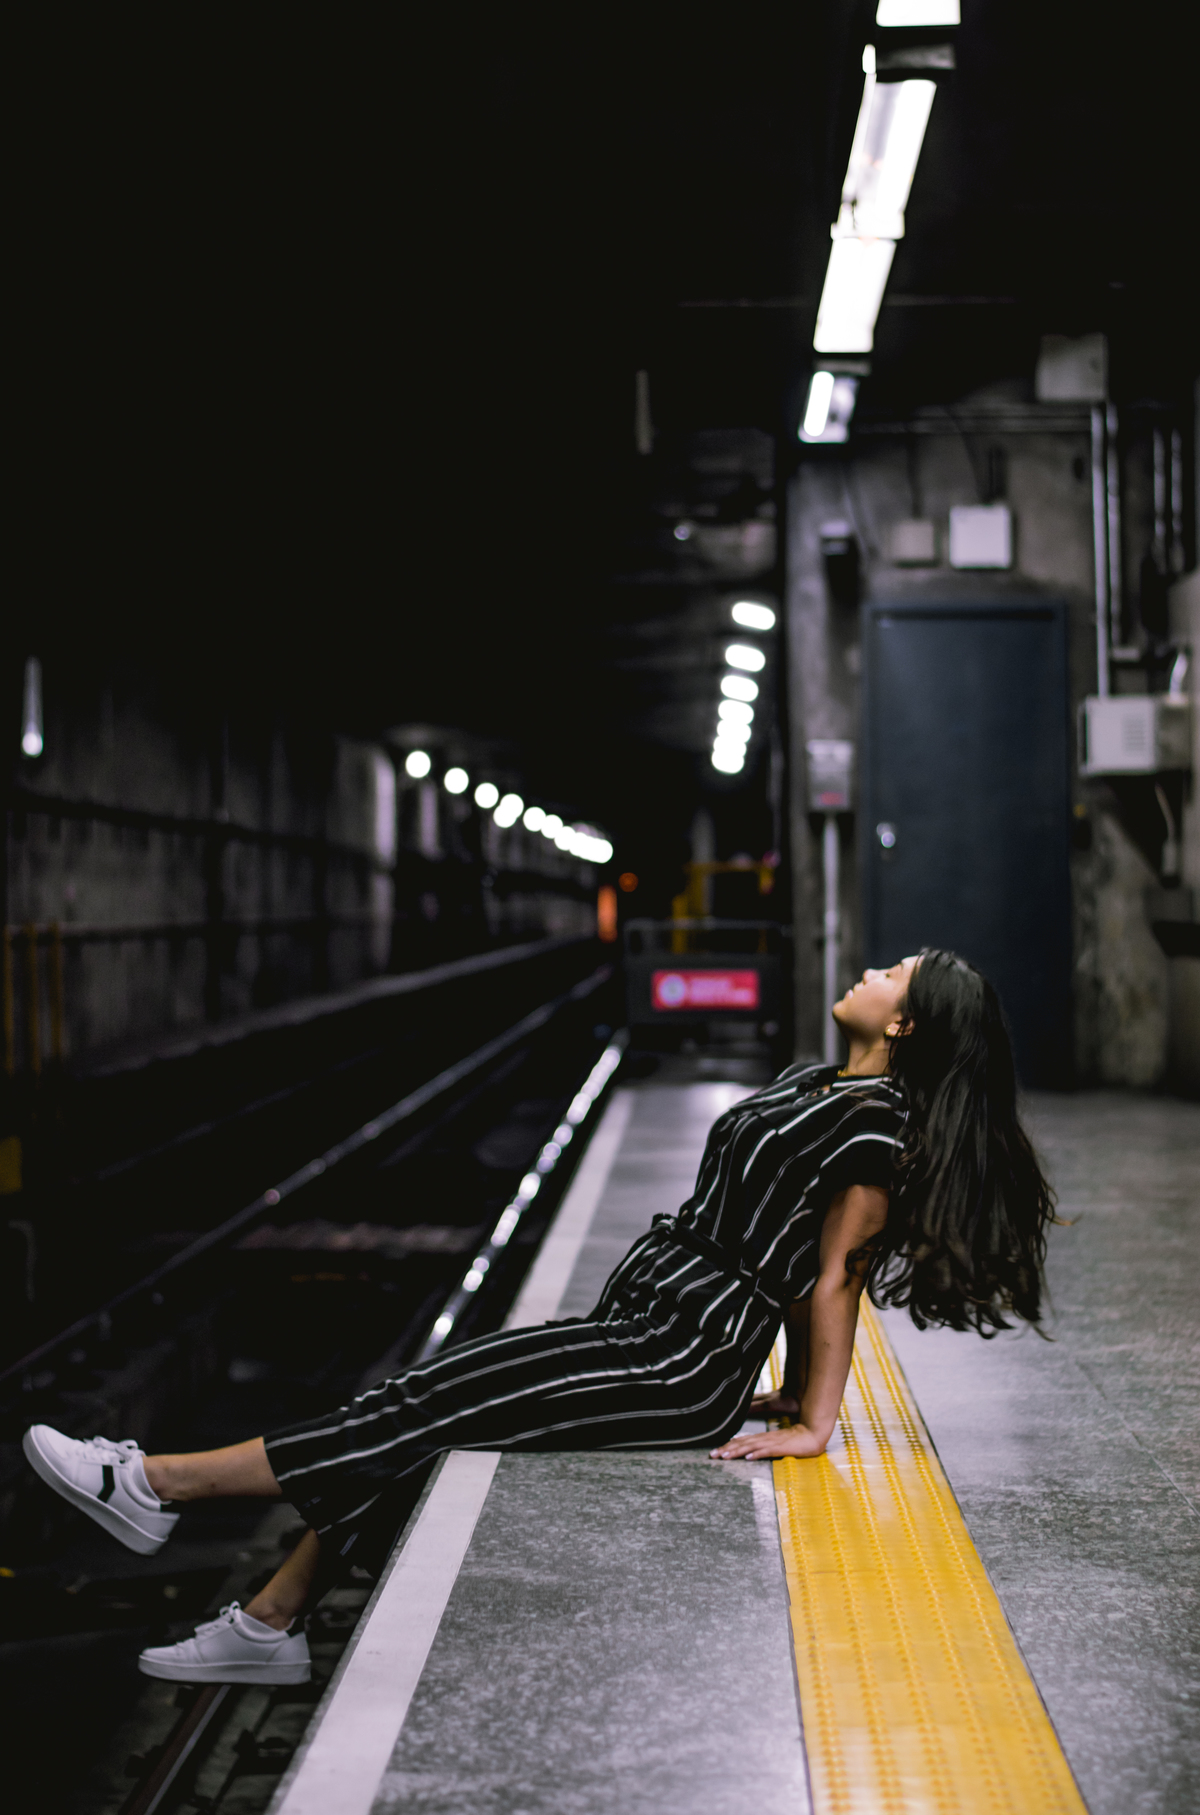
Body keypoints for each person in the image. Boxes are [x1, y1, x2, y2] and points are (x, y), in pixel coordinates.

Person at [23, 949, 1054, 1686]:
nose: (871, 971)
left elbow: (830, 1278)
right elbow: (791, 1255)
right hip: (647, 1319)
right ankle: (271, 1620)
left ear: (904, 1024)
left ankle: (153, 1482)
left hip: (678, 1361)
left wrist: (813, 1416)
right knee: (434, 1409)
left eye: (892, 976)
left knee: (428, 1399)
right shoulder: (812, 1082)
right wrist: (782, 1380)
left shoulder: (875, 1135)